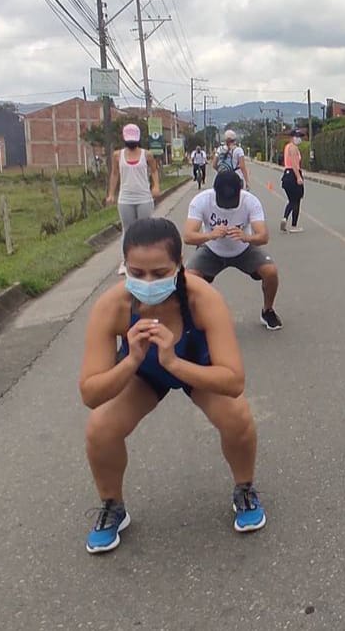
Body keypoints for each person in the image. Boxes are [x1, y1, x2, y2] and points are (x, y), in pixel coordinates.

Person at [78, 217, 266, 554]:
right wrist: (132, 361)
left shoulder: (202, 298)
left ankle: (244, 488)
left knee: (236, 417)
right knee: (100, 428)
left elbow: (234, 380)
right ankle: (112, 506)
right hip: (145, 372)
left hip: (195, 365)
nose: (147, 283)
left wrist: (174, 363)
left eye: (160, 272)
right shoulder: (112, 306)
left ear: (179, 264)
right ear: (124, 266)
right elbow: (91, 393)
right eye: (137, 273)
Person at [183, 170, 284, 331]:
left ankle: (268, 311)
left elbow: (263, 237)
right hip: (212, 250)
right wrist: (211, 235)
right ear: (215, 191)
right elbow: (188, 236)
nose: (228, 206)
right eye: (223, 201)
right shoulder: (201, 200)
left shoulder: (250, 201)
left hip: (243, 249)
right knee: (188, 278)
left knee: (270, 271)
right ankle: (195, 316)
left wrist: (246, 237)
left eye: (232, 201)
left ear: (240, 191)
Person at [107, 124, 161, 275]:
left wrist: (156, 186)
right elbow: (114, 174)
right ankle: (126, 260)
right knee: (128, 229)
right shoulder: (117, 155)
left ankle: (145, 259)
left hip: (143, 196)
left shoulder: (147, 155)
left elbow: (154, 171)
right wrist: (111, 193)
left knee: (144, 229)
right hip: (126, 197)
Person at [280, 130, 305, 233]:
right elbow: (294, 164)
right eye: (297, 136)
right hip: (293, 175)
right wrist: (298, 177)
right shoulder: (293, 148)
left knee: (291, 201)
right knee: (296, 201)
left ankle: (284, 218)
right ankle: (294, 225)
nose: (299, 139)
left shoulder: (287, 147)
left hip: (286, 174)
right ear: (292, 137)